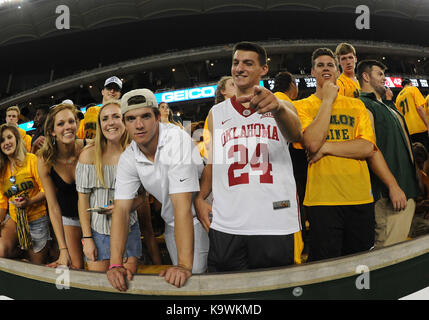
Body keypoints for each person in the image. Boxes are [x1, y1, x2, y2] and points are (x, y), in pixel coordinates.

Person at [194, 41, 303, 272]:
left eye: (247, 63)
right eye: (236, 63)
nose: (239, 68)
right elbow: (214, 162)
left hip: (273, 223)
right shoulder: (216, 113)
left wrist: (279, 109)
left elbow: (296, 134)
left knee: (273, 289)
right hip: (227, 225)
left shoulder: (282, 106)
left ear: (264, 69)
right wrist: (200, 198)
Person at [107, 88, 208, 291]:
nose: (139, 125)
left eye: (145, 116)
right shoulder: (129, 157)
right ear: (124, 123)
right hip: (174, 220)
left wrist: (184, 266)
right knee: (184, 285)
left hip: (206, 214)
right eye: (131, 118)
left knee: (194, 276)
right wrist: (115, 264)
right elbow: (121, 210)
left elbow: (183, 206)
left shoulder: (176, 140)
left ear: (158, 117)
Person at [294, 48, 376, 262]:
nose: (326, 68)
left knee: (361, 263)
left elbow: (367, 147)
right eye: (320, 65)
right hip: (322, 200)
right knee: (326, 267)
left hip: (359, 197)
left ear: (338, 71)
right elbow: (312, 143)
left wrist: (327, 147)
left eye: (330, 64)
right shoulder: (300, 107)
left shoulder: (357, 105)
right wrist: (328, 100)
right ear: (312, 72)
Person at [76, 100, 161, 272]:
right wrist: (87, 239)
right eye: (105, 119)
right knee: (100, 286)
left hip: (129, 229)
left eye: (116, 116)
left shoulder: (137, 153)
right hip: (98, 231)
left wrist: (123, 207)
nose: (111, 123)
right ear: (100, 125)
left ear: (124, 121)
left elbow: (142, 197)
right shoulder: (88, 155)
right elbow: (82, 201)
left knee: (125, 284)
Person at [358, 59, 420, 248]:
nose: (384, 78)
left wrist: (415, 174)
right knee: (388, 253)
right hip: (388, 193)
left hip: (405, 187)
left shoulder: (386, 105)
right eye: (380, 74)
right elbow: (371, 149)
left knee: (399, 248)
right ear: (366, 76)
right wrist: (392, 186)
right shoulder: (363, 105)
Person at [37, 104, 88, 269]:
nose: (68, 127)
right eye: (60, 124)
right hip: (69, 218)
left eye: (71, 121)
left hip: (94, 216)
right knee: (76, 267)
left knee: (97, 268)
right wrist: (63, 249)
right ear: (52, 131)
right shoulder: (45, 160)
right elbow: (53, 207)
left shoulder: (88, 147)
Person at [0, 124, 49, 264]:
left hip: (37, 218)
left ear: (16, 138)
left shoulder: (32, 159)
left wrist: (29, 202)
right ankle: (22, 249)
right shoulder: (1, 169)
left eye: (9, 137)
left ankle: (32, 251)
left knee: (36, 266)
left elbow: (46, 190)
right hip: (15, 219)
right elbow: (3, 205)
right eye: (2, 140)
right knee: (1, 251)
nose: (6, 142)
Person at [395, 78, 429, 151]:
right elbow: (420, 108)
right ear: (410, 83)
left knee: (417, 156)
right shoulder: (413, 89)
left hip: (408, 131)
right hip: (420, 128)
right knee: (425, 154)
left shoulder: (398, 98)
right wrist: (428, 124)